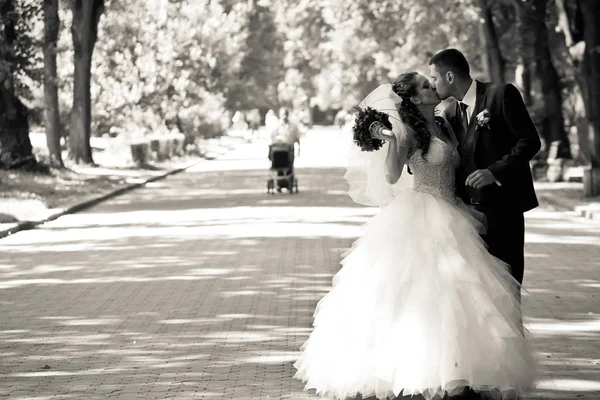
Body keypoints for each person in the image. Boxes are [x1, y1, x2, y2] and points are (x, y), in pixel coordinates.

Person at [293, 73, 537, 400]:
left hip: (454, 209)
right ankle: (421, 371)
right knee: (424, 292)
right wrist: (391, 141)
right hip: (422, 210)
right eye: (425, 85)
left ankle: (460, 371)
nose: (432, 87)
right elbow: (392, 175)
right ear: (414, 98)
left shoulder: (446, 123)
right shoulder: (408, 133)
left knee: (461, 291)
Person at [429, 49, 541, 286]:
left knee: (507, 285)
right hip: (465, 217)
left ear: (449, 77)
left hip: (503, 211)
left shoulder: (500, 95)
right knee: (477, 291)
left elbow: (529, 141)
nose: (431, 84)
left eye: (433, 78)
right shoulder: (449, 112)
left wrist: (494, 171)